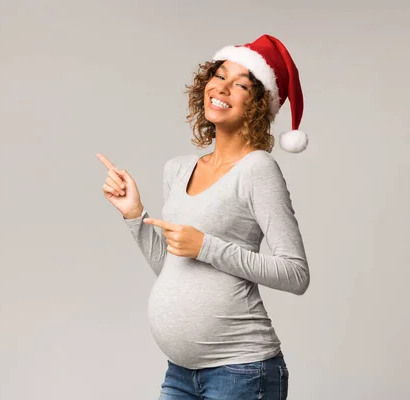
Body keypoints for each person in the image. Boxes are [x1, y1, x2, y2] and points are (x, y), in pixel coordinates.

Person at [96, 34, 309, 400]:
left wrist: (207, 246)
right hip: (180, 374)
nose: (221, 87)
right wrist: (134, 214)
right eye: (219, 75)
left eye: (240, 84)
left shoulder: (258, 169)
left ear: (259, 104)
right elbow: (173, 267)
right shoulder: (178, 169)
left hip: (242, 372)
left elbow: (296, 274)